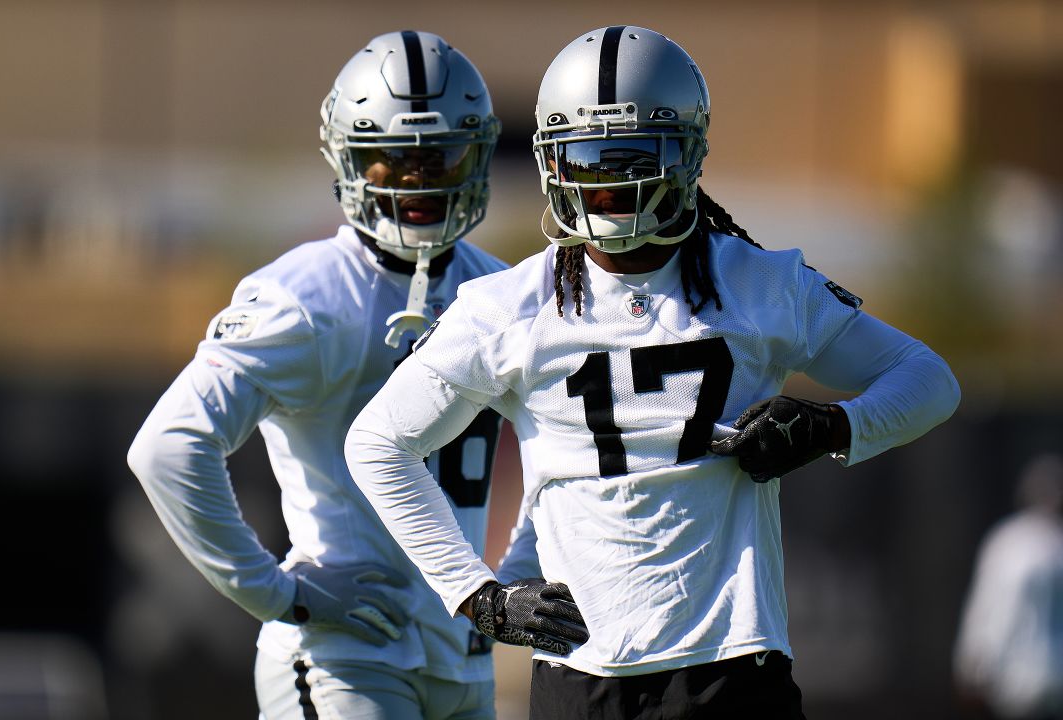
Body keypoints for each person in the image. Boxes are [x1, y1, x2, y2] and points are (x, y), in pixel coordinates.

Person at [345, 25, 962, 719]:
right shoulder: (508, 307)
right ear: (554, 162)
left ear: (690, 153)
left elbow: (928, 379)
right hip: (583, 671)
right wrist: (475, 594)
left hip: (730, 666)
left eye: (634, 155)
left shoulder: (757, 282)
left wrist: (834, 425)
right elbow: (378, 444)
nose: (614, 182)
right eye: (588, 157)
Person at [127, 31, 542, 720]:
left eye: (440, 157)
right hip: (348, 658)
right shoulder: (307, 296)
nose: (420, 182)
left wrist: (512, 578)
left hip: (462, 657)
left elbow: (564, 451)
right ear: (349, 160)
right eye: (394, 161)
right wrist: (277, 592)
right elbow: (169, 447)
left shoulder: (503, 291)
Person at [955, 452, 1063, 720]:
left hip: (1024, 684)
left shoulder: (1010, 541)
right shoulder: (1012, 542)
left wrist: (971, 665)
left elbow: (991, 609)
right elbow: (996, 606)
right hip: (1028, 682)